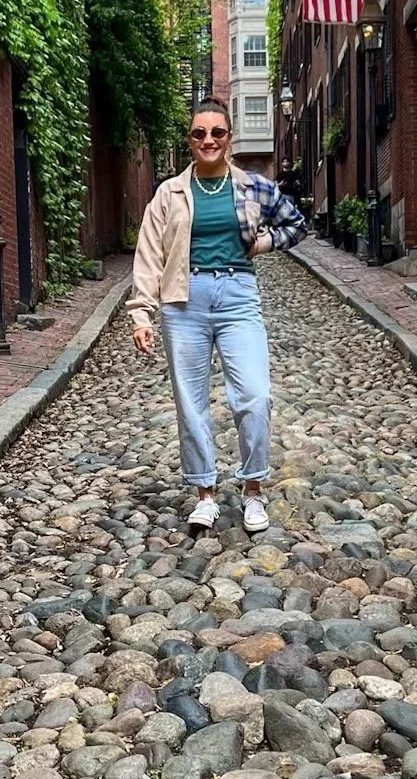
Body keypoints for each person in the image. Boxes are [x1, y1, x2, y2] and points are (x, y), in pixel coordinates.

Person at [128, 97, 307, 532]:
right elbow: (149, 255)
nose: (208, 140)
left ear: (230, 138)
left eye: (217, 133)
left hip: (237, 296)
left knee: (254, 394)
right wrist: (141, 314)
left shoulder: (253, 186)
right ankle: (204, 493)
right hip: (182, 302)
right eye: (199, 133)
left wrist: (262, 244)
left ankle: (252, 489)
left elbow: (295, 224)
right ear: (190, 140)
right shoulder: (168, 193)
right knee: (190, 403)